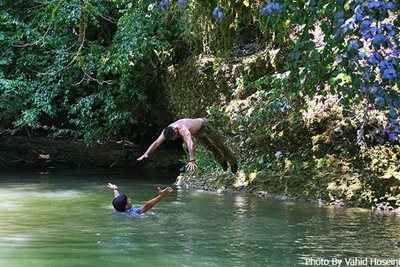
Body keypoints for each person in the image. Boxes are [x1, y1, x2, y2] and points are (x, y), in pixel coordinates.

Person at [137, 118, 238, 173]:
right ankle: (222, 161)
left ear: (176, 131)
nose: (173, 139)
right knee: (209, 147)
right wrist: (146, 154)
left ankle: (233, 162)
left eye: (174, 137)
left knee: (219, 144)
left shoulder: (182, 129)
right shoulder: (166, 131)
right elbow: (155, 143)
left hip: (204, 126)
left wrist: (192, 160)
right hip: (197, 133)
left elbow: (190, 143)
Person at [107, 183, 173, 215]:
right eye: (128, 199)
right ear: (126, 206)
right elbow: (146, 205)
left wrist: (115, 188)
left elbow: (117, 197)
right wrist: (161, 196)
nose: (130, 199)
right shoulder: (132, 212)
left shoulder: (117, 208)